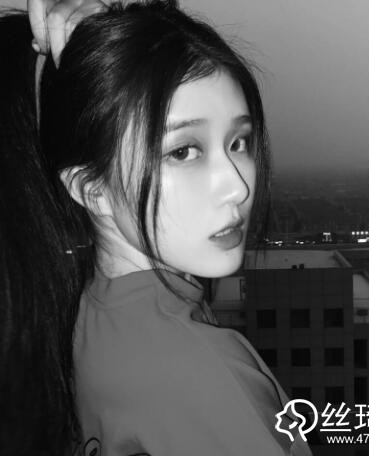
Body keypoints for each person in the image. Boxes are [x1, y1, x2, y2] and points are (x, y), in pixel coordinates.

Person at [0, 1, 312, 455]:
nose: (238, 186)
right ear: (92, 191)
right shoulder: (203, 373)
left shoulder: (79, 312)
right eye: (183, 151)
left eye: (238, 142)